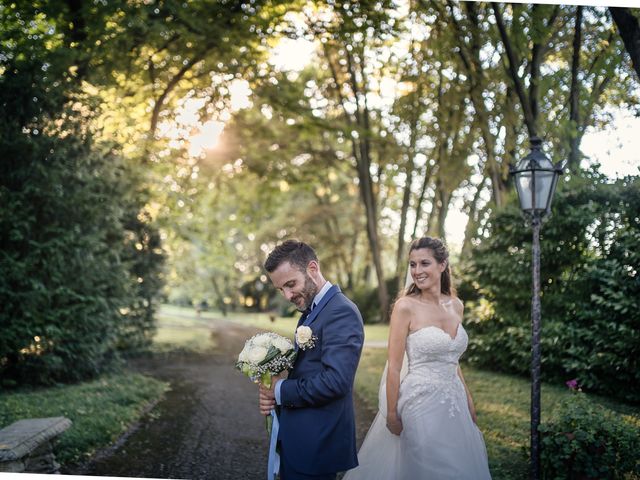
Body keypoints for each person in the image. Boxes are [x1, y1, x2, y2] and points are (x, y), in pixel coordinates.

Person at [344, 236, 491, 480]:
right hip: (419, 401)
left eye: (424, 263)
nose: (417, 271)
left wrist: (469, 401)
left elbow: (453, 361)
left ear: (442, 265)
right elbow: (394, 367)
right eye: (413, 265)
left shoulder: (457, 306)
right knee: (429, 465)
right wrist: (391, 414)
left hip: (454, 400)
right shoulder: (405, 307)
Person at [259, 239, 365, 480]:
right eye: (280, 289)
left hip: (318, 442)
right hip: (301, 438)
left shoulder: (341, 311)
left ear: (313, 269)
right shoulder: (312, 310)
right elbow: (307, 371)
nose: (287, 295)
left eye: (290, 284)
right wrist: (274, 398)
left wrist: (279, 390)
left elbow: (336, 381)